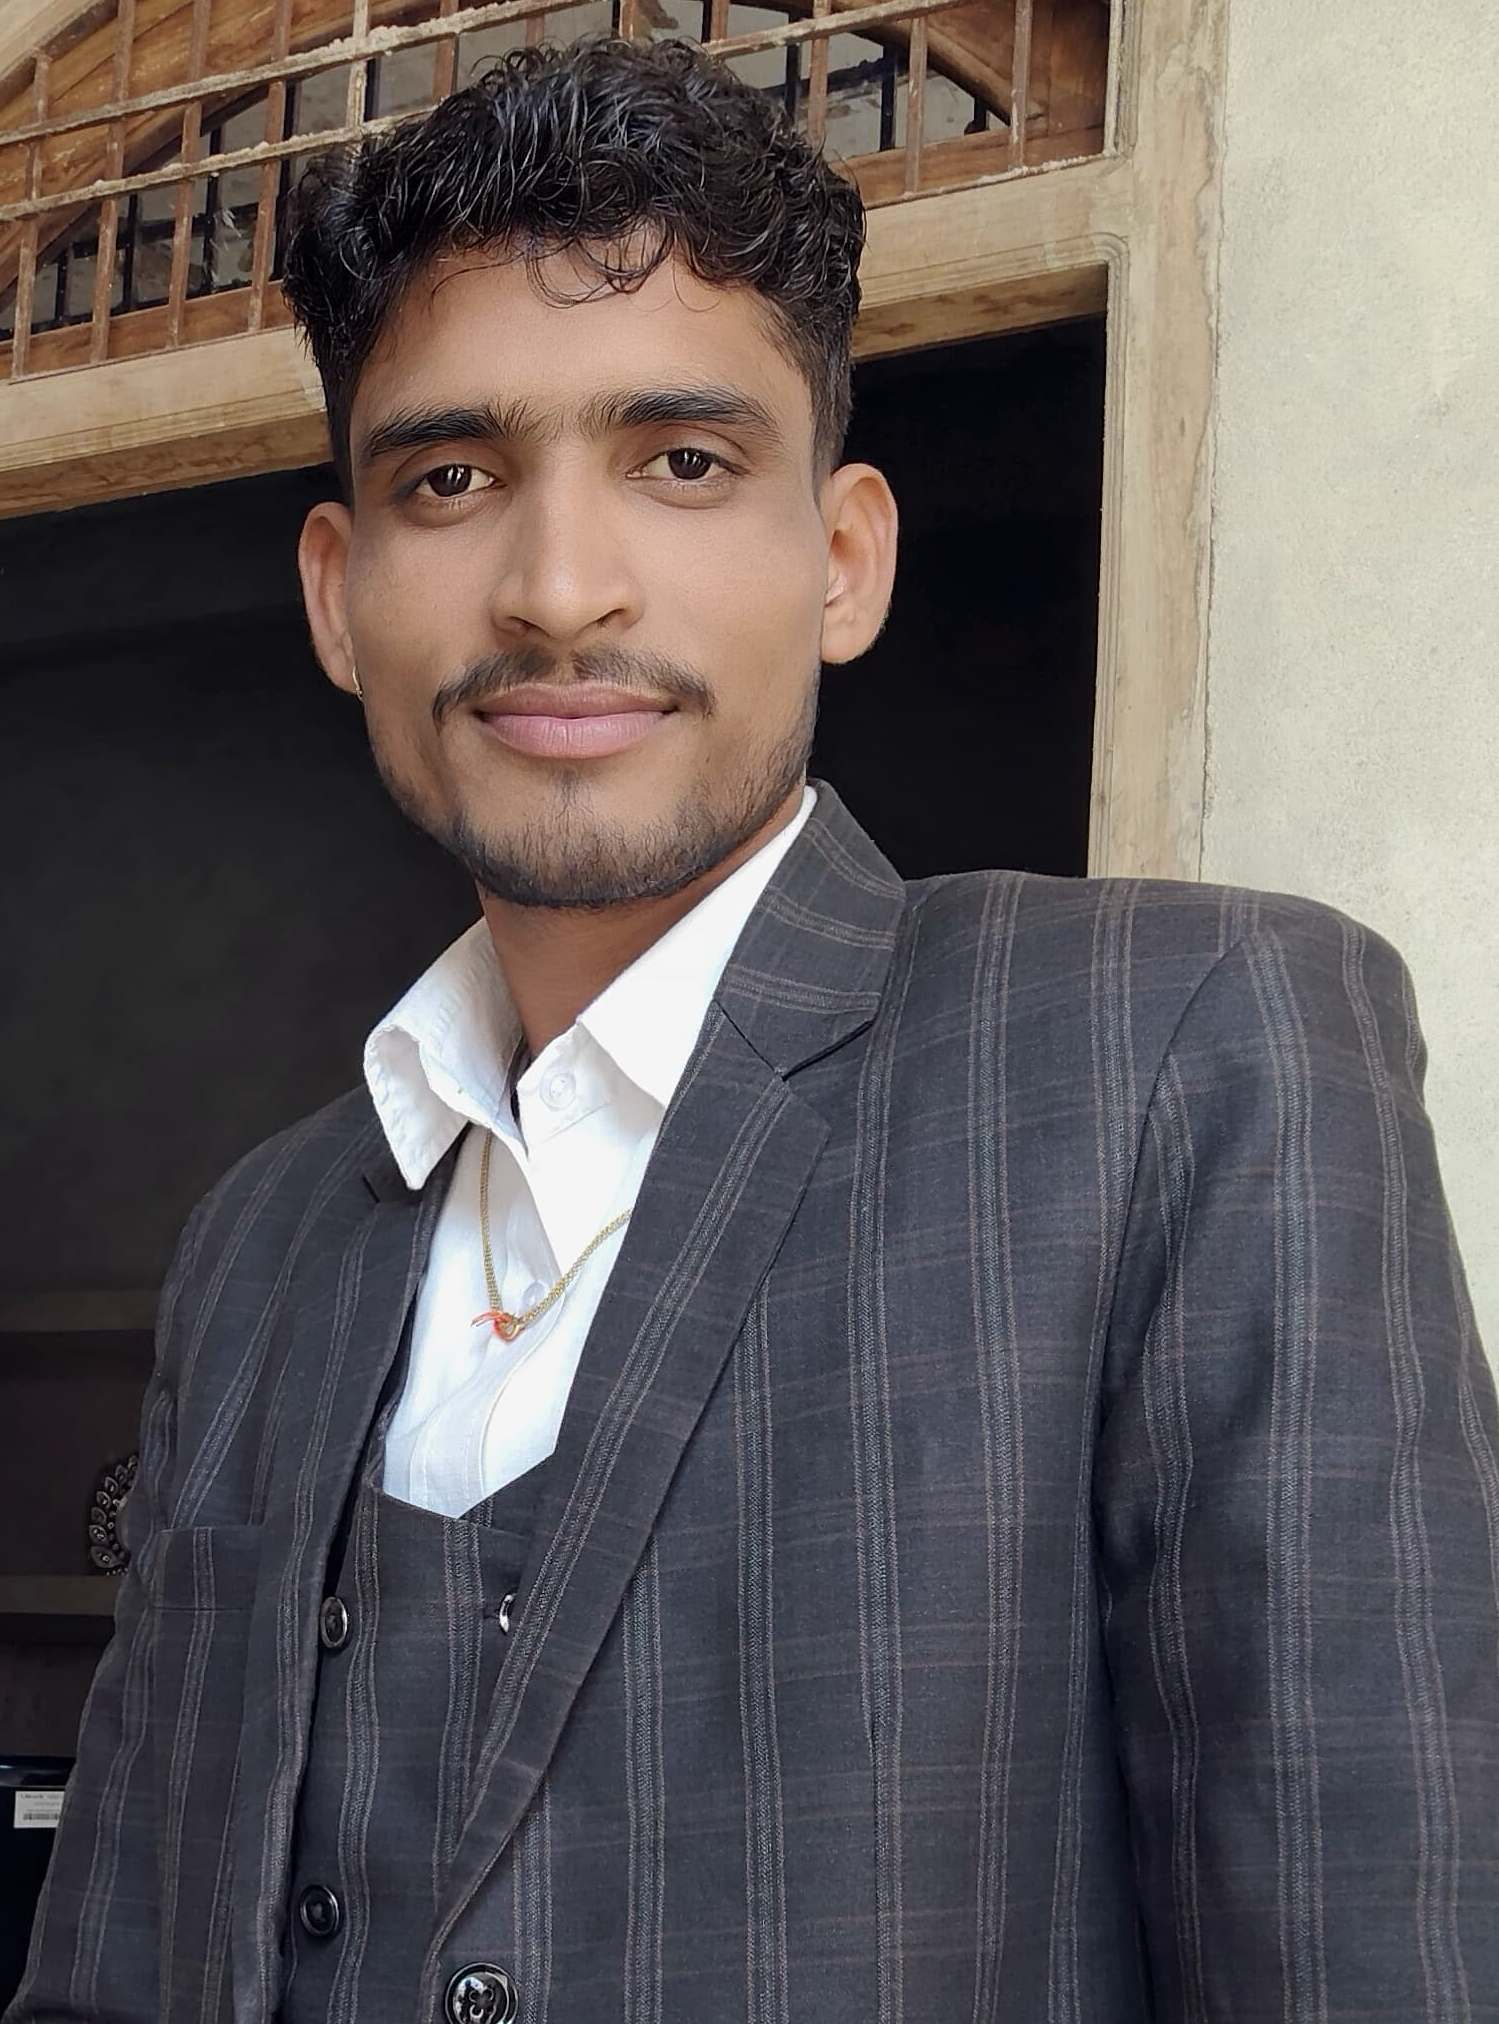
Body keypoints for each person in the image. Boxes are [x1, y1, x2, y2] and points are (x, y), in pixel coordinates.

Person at [11, 34, 1497, 2024]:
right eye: (452, 478)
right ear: (340, 594)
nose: (559, 589)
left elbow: (1373, 1942)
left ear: (844, 558)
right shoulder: (262, 1243)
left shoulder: (1188, 1054)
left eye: (684, 462)